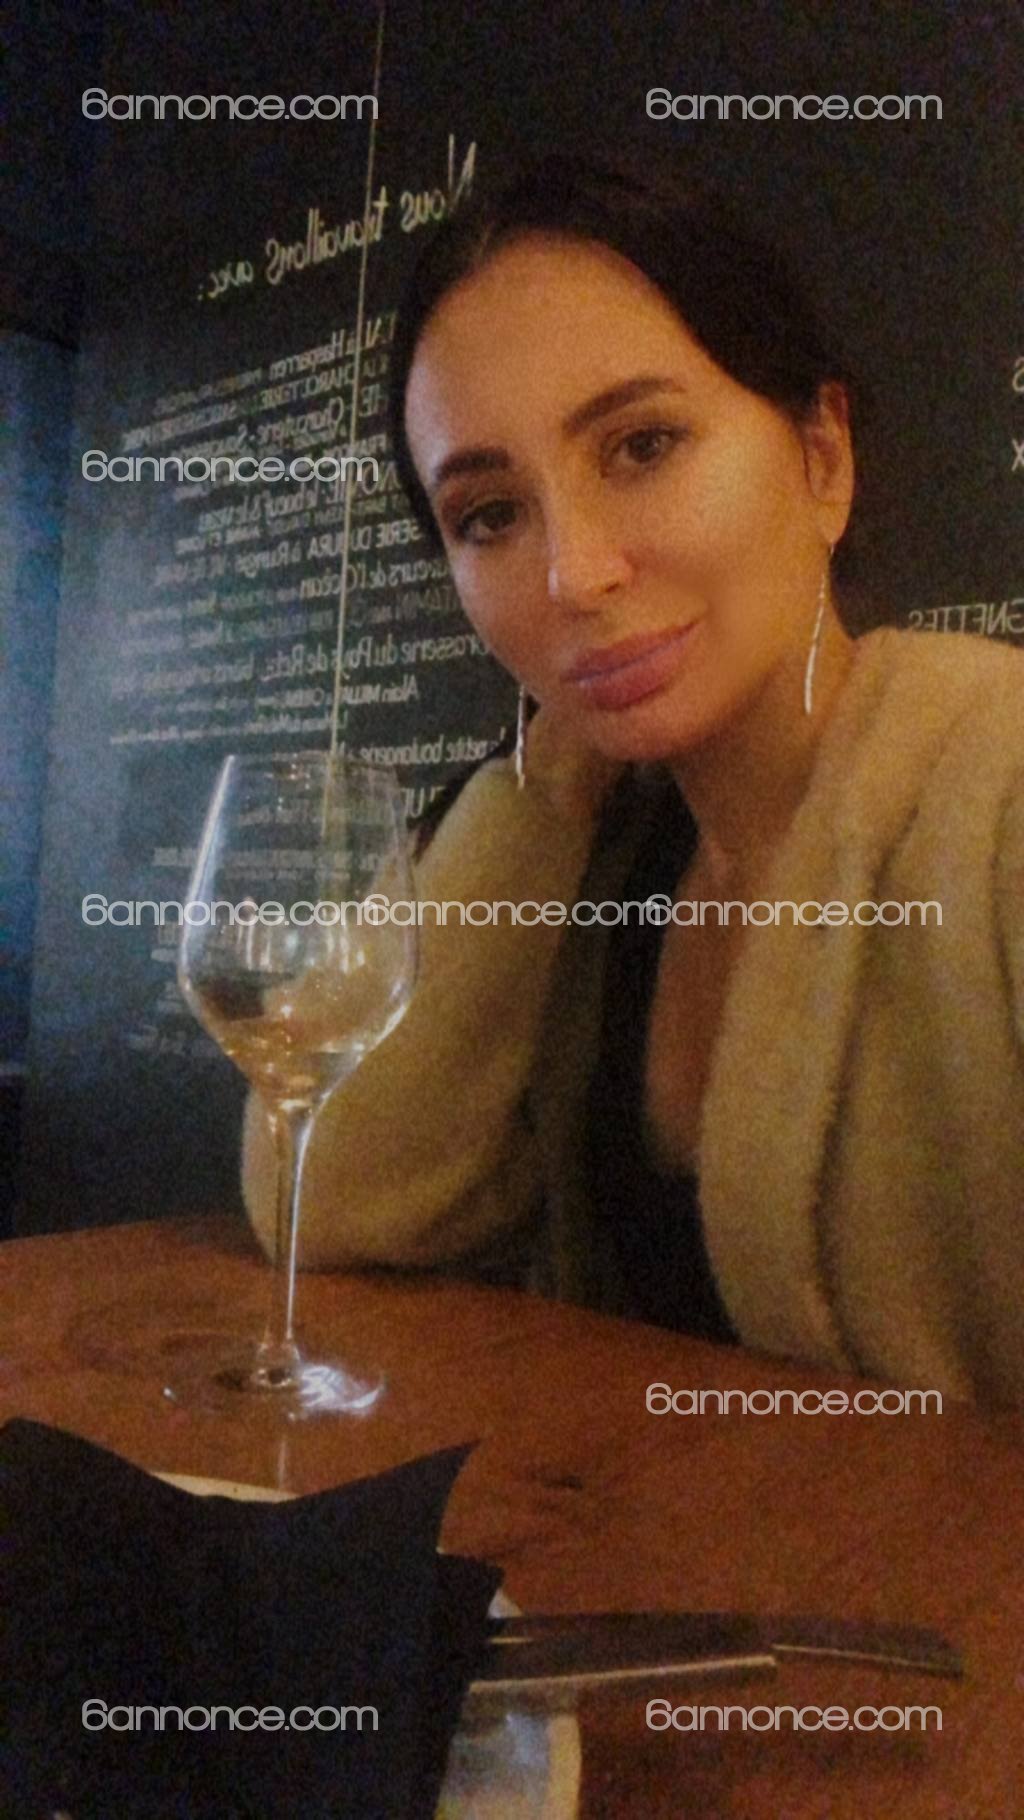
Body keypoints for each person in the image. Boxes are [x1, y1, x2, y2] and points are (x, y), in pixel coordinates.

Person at [242, 153, 1024, 1405]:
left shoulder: (996, 794)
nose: (573, 573)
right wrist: (539, 797)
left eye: (642, 444)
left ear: (822, 457)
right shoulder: (594, 857)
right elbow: (328, 1197)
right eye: (490, 514)